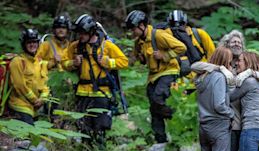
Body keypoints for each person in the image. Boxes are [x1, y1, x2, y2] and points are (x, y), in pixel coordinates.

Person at [63, 14, 129, 144]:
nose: (80, 36)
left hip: (101, 92)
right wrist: (72, 63)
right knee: (83, 126)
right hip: (82, 92)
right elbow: (63, 63)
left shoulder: (106, 45)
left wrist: (109, 62)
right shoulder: (75, 46)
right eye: (79, 33)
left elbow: (124, 62)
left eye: (83, 33)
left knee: (100, 126)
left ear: (91, 31)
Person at [125, 10, 186, 144]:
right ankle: (161, 140)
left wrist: (164, 55)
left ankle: (178, 118)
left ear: (142, 25)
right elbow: (139, 59)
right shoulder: (138, 42)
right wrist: (140, 59)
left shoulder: (158, 35)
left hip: (168, 71)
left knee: (158, 97)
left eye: (134, 29)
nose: (132, 33)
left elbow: (181, 47)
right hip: (153, 76)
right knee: (153, 107)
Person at [194, 46, 234, 151]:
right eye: (230, 61)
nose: (231, 65)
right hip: (218, 126)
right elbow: (219, 104)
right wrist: (230, 113)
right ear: (225, 61)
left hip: (203, 126)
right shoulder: (218, 77)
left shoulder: (202, 78)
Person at [8, 28, 50, 125]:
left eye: (34, 42)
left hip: (35, 108)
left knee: (35, 137)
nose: (32, 45)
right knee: (26, 138)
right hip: (20, 106)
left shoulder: (40, 62)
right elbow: (19, 85)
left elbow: (46, 84)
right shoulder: (17, 62)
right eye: (29, 42)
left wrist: (43, 99)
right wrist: (35, 100)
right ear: (24, 44)